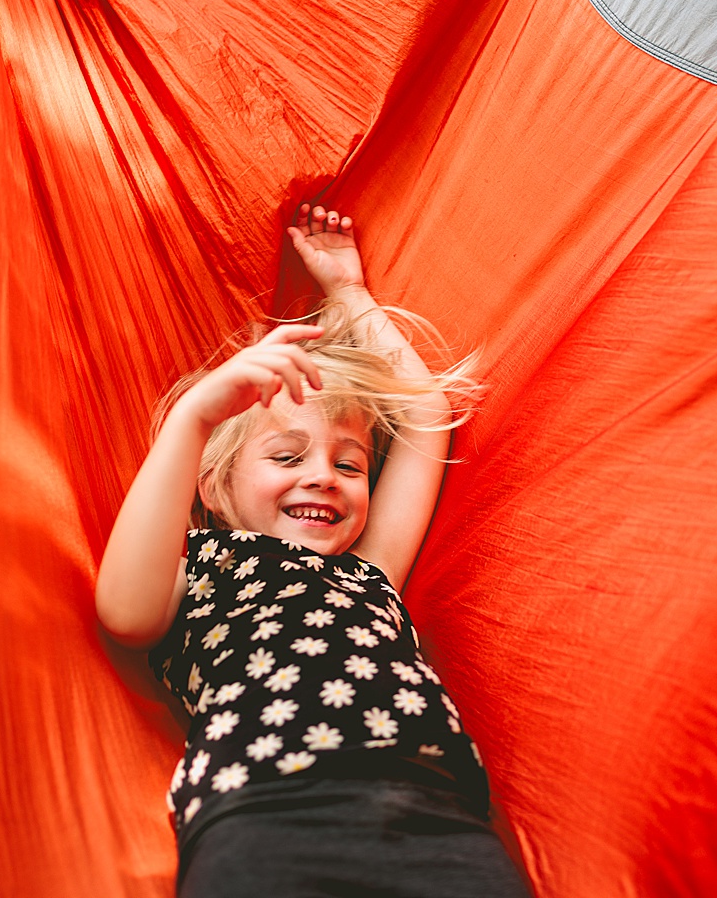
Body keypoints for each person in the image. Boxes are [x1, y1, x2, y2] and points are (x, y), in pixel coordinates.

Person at [95, 204, 530, 897]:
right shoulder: (205, 567)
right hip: (266, 809)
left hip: (435, 816)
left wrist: (348, 293)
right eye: (287, 455)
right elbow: (124, 613)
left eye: (350, 465)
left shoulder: (369, 570)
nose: (323, 475)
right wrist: (195, 417)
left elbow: (421, 413)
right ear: (214, 482)